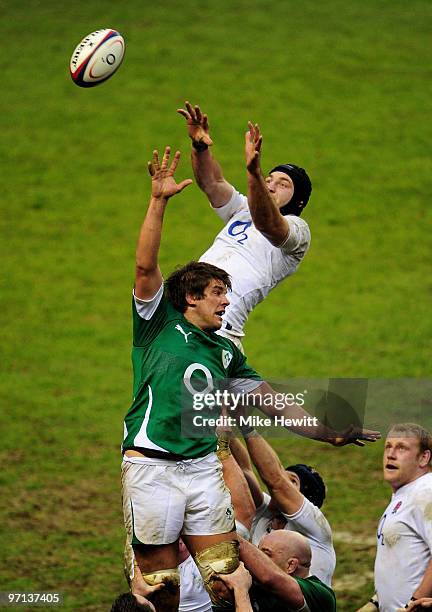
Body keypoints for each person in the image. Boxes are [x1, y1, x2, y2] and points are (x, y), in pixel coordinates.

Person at [121, 146, 379, 611]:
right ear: (193, 297)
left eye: (285, 183)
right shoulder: (158, 322)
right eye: (218, 293)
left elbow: (274, 401)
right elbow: (202, 195)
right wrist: (193, 158)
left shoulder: (292, 233)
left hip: (200, 464)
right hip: (153, 466)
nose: (226, 298)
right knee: (162, 589)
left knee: (229, 583)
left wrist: (327, 432)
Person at [178, 102, 312, 349]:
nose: (271, 185)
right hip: (188, 316)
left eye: (283, 184)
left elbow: (269, 224)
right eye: (269, 179)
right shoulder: (242, 208)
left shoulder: (298, 231)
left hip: (219, 330)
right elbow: (212, 182)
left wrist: (255, 174)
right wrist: (199, 146)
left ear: (299, 201)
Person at [230, 428, 336, 586]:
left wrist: (246, 426)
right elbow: (243, 469)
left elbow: (276, 480)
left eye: (292, 481)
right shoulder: (266, 512)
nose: (284, 479)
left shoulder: (315, 527)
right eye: (284, 473)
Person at [357, 423, 432, 612]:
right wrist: (375, 603)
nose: (391, 454)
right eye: (388, 447)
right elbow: (404, 563)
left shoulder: (426, 493)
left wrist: (414, 604)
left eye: (402, 448)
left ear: (424, 458)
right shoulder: (406, 495)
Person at [240, 529, 336, 611]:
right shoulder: (254, 584)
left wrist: (231, 537)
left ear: (291, 565)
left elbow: (271, 578)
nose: (256, 560)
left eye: (265, 555)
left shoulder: (319, 594)